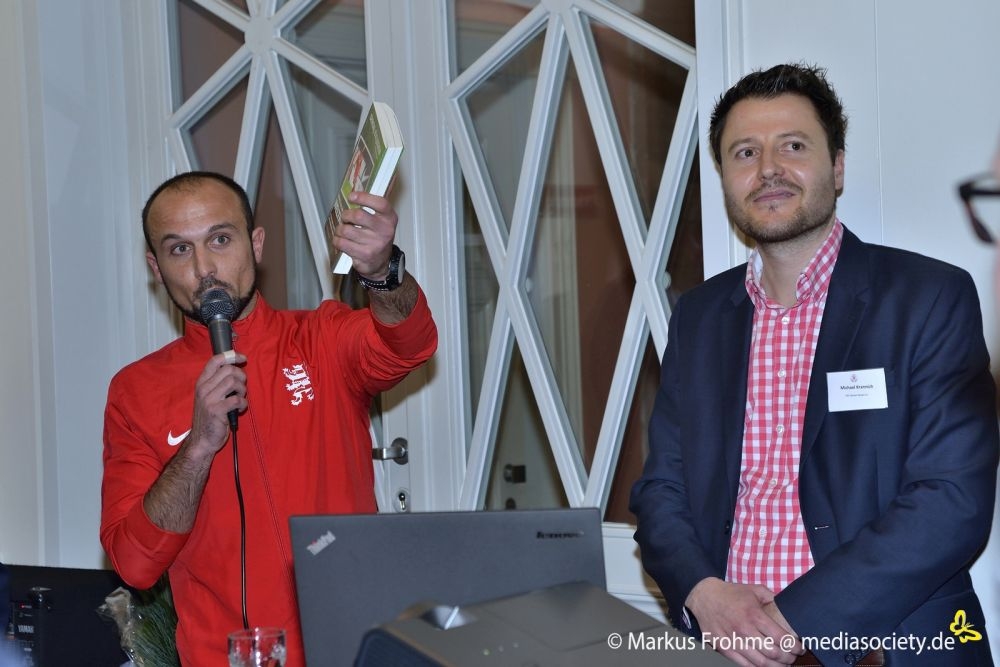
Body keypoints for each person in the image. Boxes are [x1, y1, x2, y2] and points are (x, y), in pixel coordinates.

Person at [630, 64, 998, 666]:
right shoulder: (698, 317)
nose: (768, 168)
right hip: (725, 647)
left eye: (793, 146)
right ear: (725, 178)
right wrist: (705, 596)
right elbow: (661, 490)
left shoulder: (928, 298)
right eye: (745, 152)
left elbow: (951, 500)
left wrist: (794, 620)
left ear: (838, 167)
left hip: (887, 648)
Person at [100, 171, 437, 667]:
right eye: (179, 249)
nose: (204, 268)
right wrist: (198, 446)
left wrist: (383, 272)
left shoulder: (320, 338)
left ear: (255, 245)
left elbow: (409, 343)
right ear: (156, 267)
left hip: (351, 651)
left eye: (220, 239)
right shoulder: (135, 391)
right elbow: (134, 563)